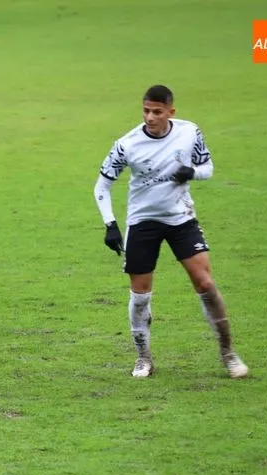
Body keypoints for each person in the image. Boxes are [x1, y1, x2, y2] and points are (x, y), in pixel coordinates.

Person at [93, 85, 249, 379]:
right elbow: (102, 186)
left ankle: (229, 353)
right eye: (145, 111)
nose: (150, 117)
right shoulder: (127, 144)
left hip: (180, 218)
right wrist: (110, 224)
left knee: (205, 283)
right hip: (143, 221)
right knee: (140, 295)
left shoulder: (190, 132)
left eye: (157, 112)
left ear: (170, 112)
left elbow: (207, 167)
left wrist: (191, 173)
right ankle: (143, 358)